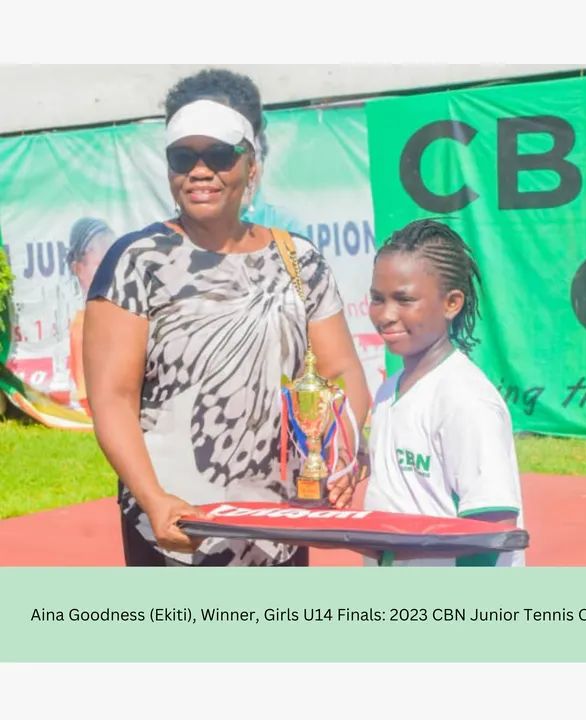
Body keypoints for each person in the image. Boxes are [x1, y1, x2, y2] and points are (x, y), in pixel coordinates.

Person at [83, 69, 370, 567]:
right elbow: (112, 399)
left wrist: (342, 452)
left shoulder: (299, 260)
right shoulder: (136, 261)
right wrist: (153, 498)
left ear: (250, 165)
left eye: (218, 155)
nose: (200, 171)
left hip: (279, 524)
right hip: (176, 526)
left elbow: (341, 371)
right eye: (182, 157)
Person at [363, 219, 525, 567]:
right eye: (377, 298)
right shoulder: (389, 391)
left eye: (405, 299)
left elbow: (494, 530)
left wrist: (387, 547)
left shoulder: (465, 401)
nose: (386, 315)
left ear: (451, 303)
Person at [66, 218, 116, 414]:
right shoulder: (83, 328)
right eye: (100, 264)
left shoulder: (119, 317)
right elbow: (89, 397)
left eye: (114, 262)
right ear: (78, 269)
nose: (110, 272)